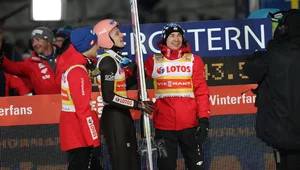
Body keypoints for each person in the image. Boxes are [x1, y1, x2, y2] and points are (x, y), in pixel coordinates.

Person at [144, 23, 210, 170]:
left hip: (190, 124)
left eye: (179, 35)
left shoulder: (194, 60)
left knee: (196, 166)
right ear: (164, 39)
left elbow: (202, 92)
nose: (176, 39)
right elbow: (137, 79)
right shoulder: (153, 61)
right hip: (163, 127)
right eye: (172, 35)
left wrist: (204, 120)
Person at [93, 19, 154, 170]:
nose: (122, 35)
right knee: (123, 164)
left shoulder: (115, 59)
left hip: (122, 115)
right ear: (106, 38)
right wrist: (137, 105)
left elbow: (122, 86)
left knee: (133, 161)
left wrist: (140, 72)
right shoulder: (108, 62)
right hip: (114, 116)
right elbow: (109, 97)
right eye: (116, 33)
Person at [243, 9, 300, 170]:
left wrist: (275, 43)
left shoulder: (273, 54)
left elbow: (250, 69)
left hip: (282, 134)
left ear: (283, 30)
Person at [56, 27, 102, 170]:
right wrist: (94, 141)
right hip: (79, 134)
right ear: (87, 45)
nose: (98, 46)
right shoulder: (77, 71)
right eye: (95, 43)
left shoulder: (73, 65)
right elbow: (83, 110)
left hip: (76, 131)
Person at [0, 27, 60, 95]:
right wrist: (1, 59)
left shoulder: (65, 57)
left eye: (38, 39)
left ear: (48, 40)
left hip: (67, 103)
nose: (34, 44)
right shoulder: (31, 63)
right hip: (45, 104)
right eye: (33, 41)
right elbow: (13, 67)